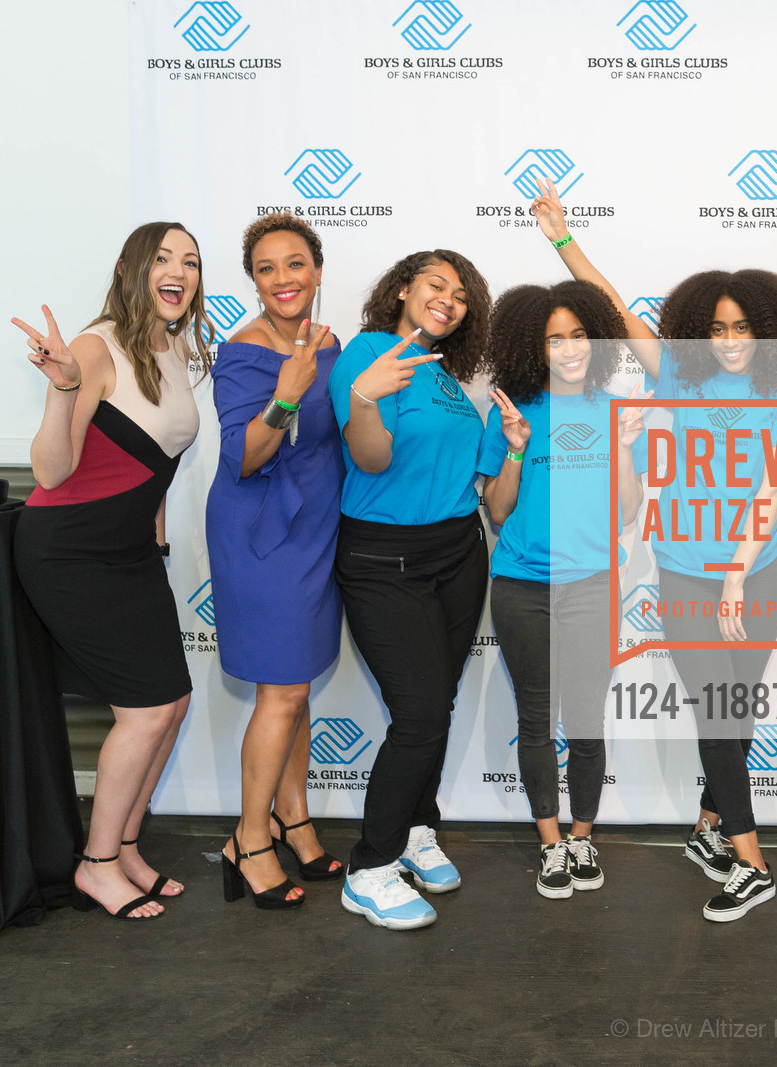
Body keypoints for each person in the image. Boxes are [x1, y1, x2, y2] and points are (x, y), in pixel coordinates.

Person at [528, 178, 777, 921]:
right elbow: (618, 307)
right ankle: (753, 863)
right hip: (687, 576)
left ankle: (709, 827)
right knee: (717, 710)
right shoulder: (675, 374)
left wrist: (734, 574)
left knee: (739, 708)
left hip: (755, 571)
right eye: (715, 328)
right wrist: (562, 238)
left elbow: (773, 494)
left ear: (766, 330)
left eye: (742, 328)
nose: (728, 341)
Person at [12, 222, 208, 921]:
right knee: (145, 709)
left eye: (189, 260)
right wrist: (63, 387)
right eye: (163, 257)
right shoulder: (95, 347)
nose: (178, 270)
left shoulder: (178, 345)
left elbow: (157, 464)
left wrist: (154, 548)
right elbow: (52, 470)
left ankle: (123, 846)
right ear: (131, 266)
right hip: (68, 549)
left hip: (130, 551)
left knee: (173, 703)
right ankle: (95, 866)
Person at [326, 249, 492, 930]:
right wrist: (365, 396)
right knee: (419, 713)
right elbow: (370, 457)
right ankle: (369, 866)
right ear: (402, 290)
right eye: (436, 286)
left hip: (456, 552)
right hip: (382, 556)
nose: (449, 300)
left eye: (461, 295)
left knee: (437, 704)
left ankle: (419, 828)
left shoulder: (448, 378)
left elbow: (473, 475)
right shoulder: (368, 352)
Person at [478, 274, 647, 900]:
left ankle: (581, 837)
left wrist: (626, 451)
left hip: (594, 586)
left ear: (597, 340)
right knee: (535, 719)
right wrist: (517, 448)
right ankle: (550, 844)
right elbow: (496, 511)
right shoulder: (512, 412)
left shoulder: (612, 410)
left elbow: (629, 511)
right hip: (521, 586)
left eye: (579, 336)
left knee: (585, 721)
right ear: (533, 346)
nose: (571, 349)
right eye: (555, 339)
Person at [205, 211, 346, 910]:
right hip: (261, 531)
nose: (283, 279)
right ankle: (249, 839)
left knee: (299, 686)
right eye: (267, 268)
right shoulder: (241, 353)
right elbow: (245, 456)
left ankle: (295, 818)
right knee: (281, 691)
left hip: (316, 527)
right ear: (253, 282)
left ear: (317, 271)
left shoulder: (329, 339)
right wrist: (287, 391)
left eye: (295, 264)